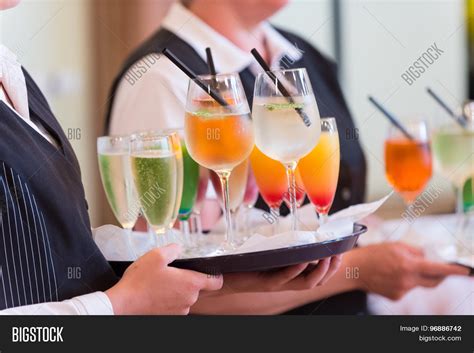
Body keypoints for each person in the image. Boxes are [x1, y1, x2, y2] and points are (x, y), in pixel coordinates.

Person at [107, 0, 470, 314]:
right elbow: (175, 286)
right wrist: (360, 269)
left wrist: (412, 242)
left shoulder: (305, 58)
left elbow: (335, 209)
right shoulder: (159, 79)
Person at [0, 0, 341, 315]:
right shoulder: (157, 74)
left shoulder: (16, 75)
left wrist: (223, 281)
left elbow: (59, 253)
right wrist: (122, 305)